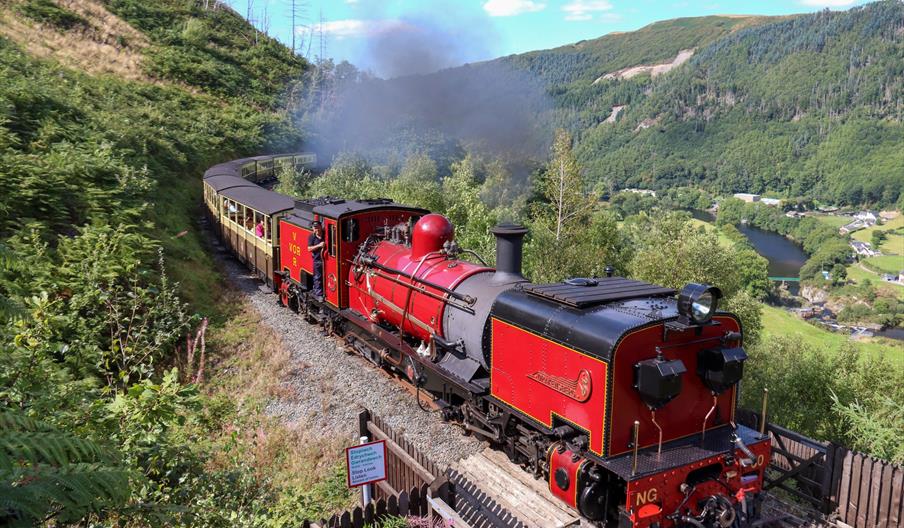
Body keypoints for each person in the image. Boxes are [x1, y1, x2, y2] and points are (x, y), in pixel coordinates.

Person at [307, 221, 325, 301]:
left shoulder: (325, 235)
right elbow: (309, 248)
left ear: (321, 227)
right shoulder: (312, 237)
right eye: (315, 228)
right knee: (318, 277)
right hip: (317, 260)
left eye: (317, 227)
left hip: (326, 260)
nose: (316, 229)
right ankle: (319, 294)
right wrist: (319, 245)